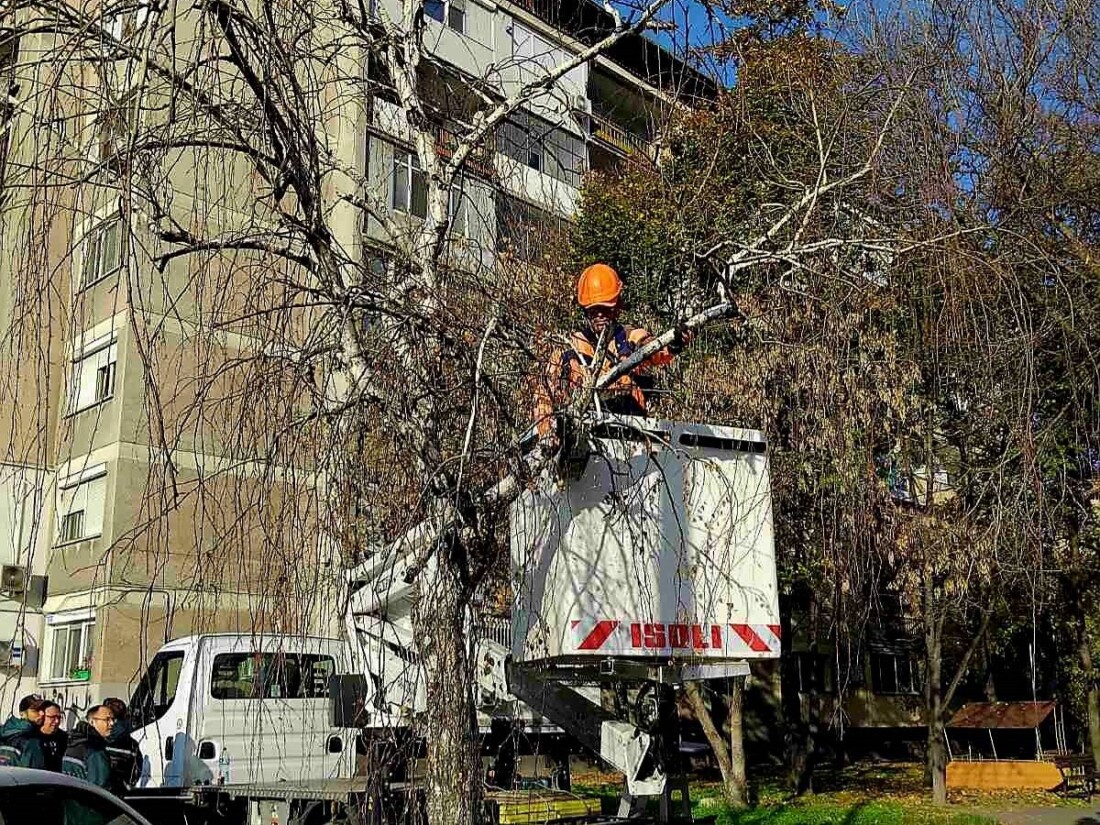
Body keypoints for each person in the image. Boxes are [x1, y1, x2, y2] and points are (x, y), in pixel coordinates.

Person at [534, 263, 689, 440]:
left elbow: (653, 348)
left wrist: (675, 342)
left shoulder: (629, 338)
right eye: (594, 310)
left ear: (616, 308)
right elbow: (543, 395)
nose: (600, 315)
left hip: (631, 435)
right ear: (585, 311)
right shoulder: (569, 350)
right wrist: (548, 437)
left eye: (605, 309)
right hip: (585, 438)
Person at [62, 705, 114, 788]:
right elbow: (99, 788)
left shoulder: (73, 742)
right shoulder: (95, 750)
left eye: (113, 719)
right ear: (92, 722)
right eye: (107, 719)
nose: (112, 723)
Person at [102, 697, 141, 794]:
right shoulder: (132, 743)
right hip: (121, 793)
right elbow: (137, 770)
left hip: (100, 792)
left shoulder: (98, 739)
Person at [0, 694, 47, 768]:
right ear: (22, 714)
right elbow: (36, 772)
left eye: (43, 709)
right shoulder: (31, 740)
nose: (42, 714)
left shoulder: (6, 732)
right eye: (36, 710)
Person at [37, 700, 68, 772]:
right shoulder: (33, 737)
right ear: (42, 717)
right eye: (52, 717)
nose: (56, 721)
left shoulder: (64, 737)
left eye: (58, 717)